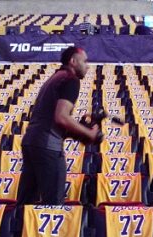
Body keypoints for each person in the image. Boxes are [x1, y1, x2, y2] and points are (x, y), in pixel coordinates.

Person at [18, 46, 102, 205]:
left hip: (31, 142)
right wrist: (89, 133)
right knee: (53, 205)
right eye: (84, 61)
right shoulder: (71, 79)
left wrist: (78, 129)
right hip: (47, 146)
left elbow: (52, 119)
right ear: (73, 61)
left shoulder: (55, 77)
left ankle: (18, 230)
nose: (88, 65)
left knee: (25, 203)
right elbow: (61, 117)